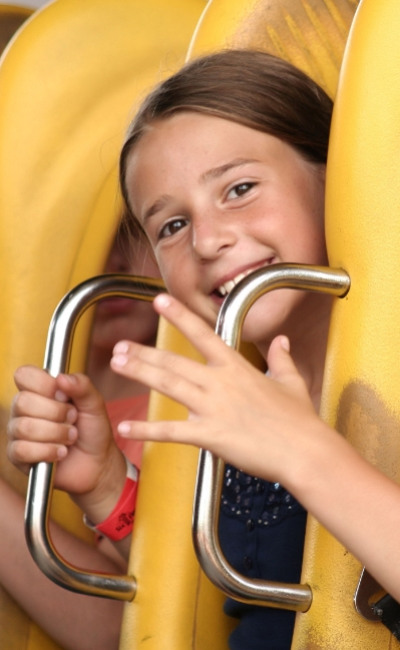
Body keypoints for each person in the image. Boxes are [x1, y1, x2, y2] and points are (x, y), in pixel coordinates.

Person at [8, 49, 400, 648]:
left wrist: (303, 452)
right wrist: (108, 489)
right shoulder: (238, 405)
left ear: (333, 177)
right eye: (171, 225)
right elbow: (185, 620)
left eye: (239, 188)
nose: (210, 239)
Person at [2, 231, 159, 650]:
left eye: (135, 235)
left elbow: (119, 627)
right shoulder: (22, 401)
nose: (112, 262)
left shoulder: (168, 419)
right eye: (88, 240)